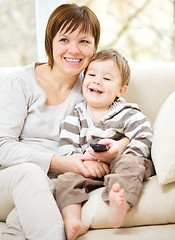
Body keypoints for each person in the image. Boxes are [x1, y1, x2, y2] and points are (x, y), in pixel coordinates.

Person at [0, 4, 129, 240]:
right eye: (64, 39)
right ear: (50, 42)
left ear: (94, 47)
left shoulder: (94, 88)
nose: (74, 50)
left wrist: (112, 151)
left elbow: (123, 126)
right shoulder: (19, 83)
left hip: (54, 185)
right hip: (9, 181)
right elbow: (2, 147)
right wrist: (61, 162)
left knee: (27, 220)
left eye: (84, 41)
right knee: (30, 174)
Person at [53, 48, 155, 240]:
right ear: (83, 80)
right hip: (89, 171)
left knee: (131, 164)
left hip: (121, 163)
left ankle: (120, 204)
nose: (97, 81)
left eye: (107, 79)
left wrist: (123, 153)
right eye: (91, 75)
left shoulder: (128, 113)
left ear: (121, 90)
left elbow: (145, 136)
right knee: (65, 180)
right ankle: (72, 220)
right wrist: (87, 164)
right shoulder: (74, 119)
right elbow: (67, 151)